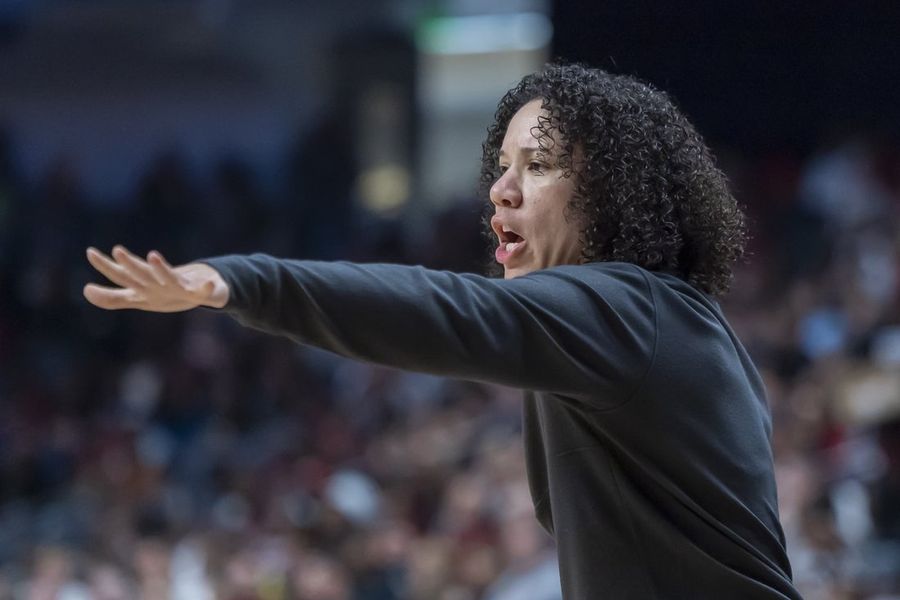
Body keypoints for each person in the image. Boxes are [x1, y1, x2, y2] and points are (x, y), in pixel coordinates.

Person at [84, 63, 801, 599]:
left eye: (539, 165)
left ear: (615, 193)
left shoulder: (630, 311)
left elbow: (444, 308)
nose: (501, 187)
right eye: (501, 166)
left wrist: (245, 281)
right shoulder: (646, 329)